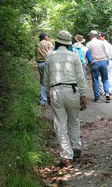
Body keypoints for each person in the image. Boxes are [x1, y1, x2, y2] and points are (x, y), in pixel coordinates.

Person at [44, 31, 87, 166]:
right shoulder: (74, 56)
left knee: (60, 123)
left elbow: (46, 78)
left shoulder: (49, 56)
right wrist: (84, 95)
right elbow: (80, 77)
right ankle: (76, 147)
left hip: (56, 91)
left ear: (57, 42)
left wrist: (47, 94)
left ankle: (67, 155)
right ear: (69, 43)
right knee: (74, 120)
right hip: (72, 91)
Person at [86, 30, 110, 103]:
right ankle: (107, 93)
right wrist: (107, 60)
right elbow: (107, 53)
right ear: (96, 36)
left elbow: (88, 55)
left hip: (95, 62)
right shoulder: (102, 42)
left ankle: (97, 98)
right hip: (103, 62)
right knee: (105, 79)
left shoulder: (88, 44)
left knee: (95, 80)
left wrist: (88, 63)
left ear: (90, 36)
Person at [35, 33, 53, 106]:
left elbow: (36, 54)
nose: (48, 38)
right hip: (48, 63)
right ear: (45, 37)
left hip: (40, 64)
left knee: (42, 82)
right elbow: (53, 53)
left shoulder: (37, 45)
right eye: (47, 36)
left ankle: (43, 100)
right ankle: (52, 98)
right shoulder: (49, 43)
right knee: (51, 80)